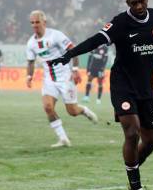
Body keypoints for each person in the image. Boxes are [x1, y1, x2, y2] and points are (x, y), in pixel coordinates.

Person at [49, 0, 153, 190]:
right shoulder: (119, 23)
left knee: (151, 141)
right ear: (127, 3)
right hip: (122, 85)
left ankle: (132, 169)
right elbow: (95, 40)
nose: (139, 5)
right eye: (133, 2)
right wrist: (69, 55)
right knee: (132, 132)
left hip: (145, 88)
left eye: (142, 0)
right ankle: (136, 187)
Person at [25, 10, 98, 147]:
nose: (35, 25)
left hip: (66, 77)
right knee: (47, 107)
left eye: (37, 22)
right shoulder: (31, 43)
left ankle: (84, 110)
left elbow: (73, 51)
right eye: (32, 23)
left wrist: (75, 70)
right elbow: (30, 61)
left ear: (44, 22)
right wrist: (29, 76)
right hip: (49, 79)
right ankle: (63, 139)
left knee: (72, 111)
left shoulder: (55, 35)